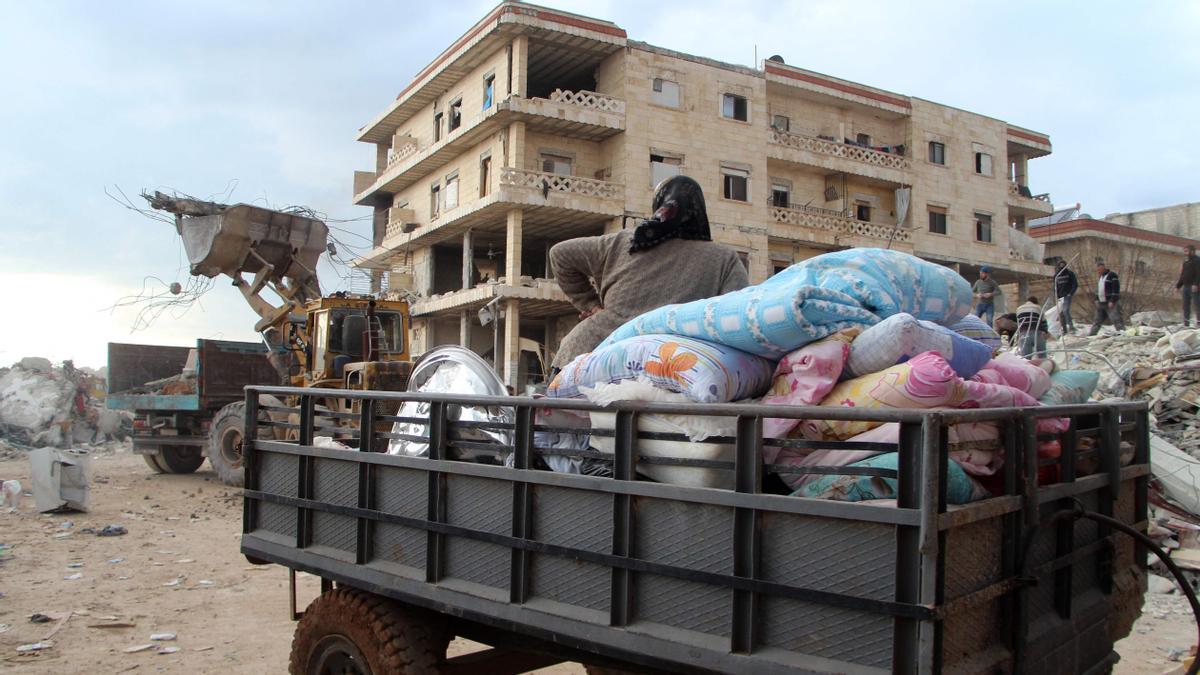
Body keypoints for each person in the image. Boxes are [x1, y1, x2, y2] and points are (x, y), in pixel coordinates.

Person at [548, 175, 749, 370]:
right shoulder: (723, 258)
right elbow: (735, 315)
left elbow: (560, 254)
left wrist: (592, 305)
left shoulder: (623, 242)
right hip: (669, 362)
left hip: (587, 351)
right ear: (699, 211)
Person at [1088, 261, 1125, 335]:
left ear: (1103, 268)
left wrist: (1112, 300)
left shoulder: (1112, 275)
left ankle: (1122, 332)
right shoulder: (1101, 277)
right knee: (1097, 320)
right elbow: (1098, 289)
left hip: (1110, 302)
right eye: (1097, 270)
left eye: (1099, 270)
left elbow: (1116, 289)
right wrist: (1096, 299)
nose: (1098, 272)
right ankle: (1091, 334)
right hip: (1101, 303)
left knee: (1115, 318)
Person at [1176, 245, 1200, 327]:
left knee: (1197, 305)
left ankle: (1199, 323)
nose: (1185, 253)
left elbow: (1198, 274)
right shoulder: (1185, 262)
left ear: (1192, 251)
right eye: (1184, 251)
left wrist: (1195, 284)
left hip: (1194, 287)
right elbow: (1183, 275)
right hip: (1186, 287)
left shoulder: (1197, 260)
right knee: (1185, 306)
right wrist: (1178, 286)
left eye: (1186, 251)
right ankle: (1186, 324)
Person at [1053, 260, 1078, 334]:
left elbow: (1075, 284)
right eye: (1060, 265)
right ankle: (1064, 330)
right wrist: (1056, 296)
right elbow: (1055, 287)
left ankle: (1071, 326)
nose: (1062, 266)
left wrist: (1070, 293)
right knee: (1061, 314)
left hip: (1067, 296)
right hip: (1060, 297)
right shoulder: (1057, 275)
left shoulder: (1070, 274)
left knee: (1065, 310)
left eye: (1063, 265)